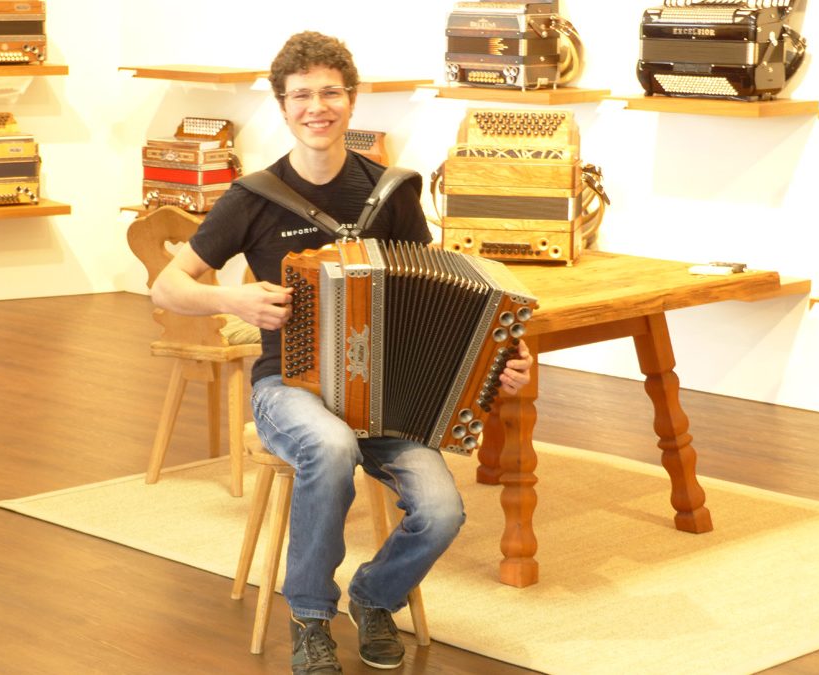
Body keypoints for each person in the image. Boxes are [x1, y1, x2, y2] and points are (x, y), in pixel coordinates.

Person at [150, 31, 534, 675]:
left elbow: (445, 292)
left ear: (352, 103)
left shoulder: (392, 192)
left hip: (384, 397)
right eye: (301, 95)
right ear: (282, 105)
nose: (316, 107)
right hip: (288, 389)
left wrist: (498, 365)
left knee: (443, 510)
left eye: (330, 93)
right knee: (328, 447)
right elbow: (167, 285)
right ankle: (310, 618)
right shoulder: (253, 198)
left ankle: (373, 598)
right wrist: (234, 304)